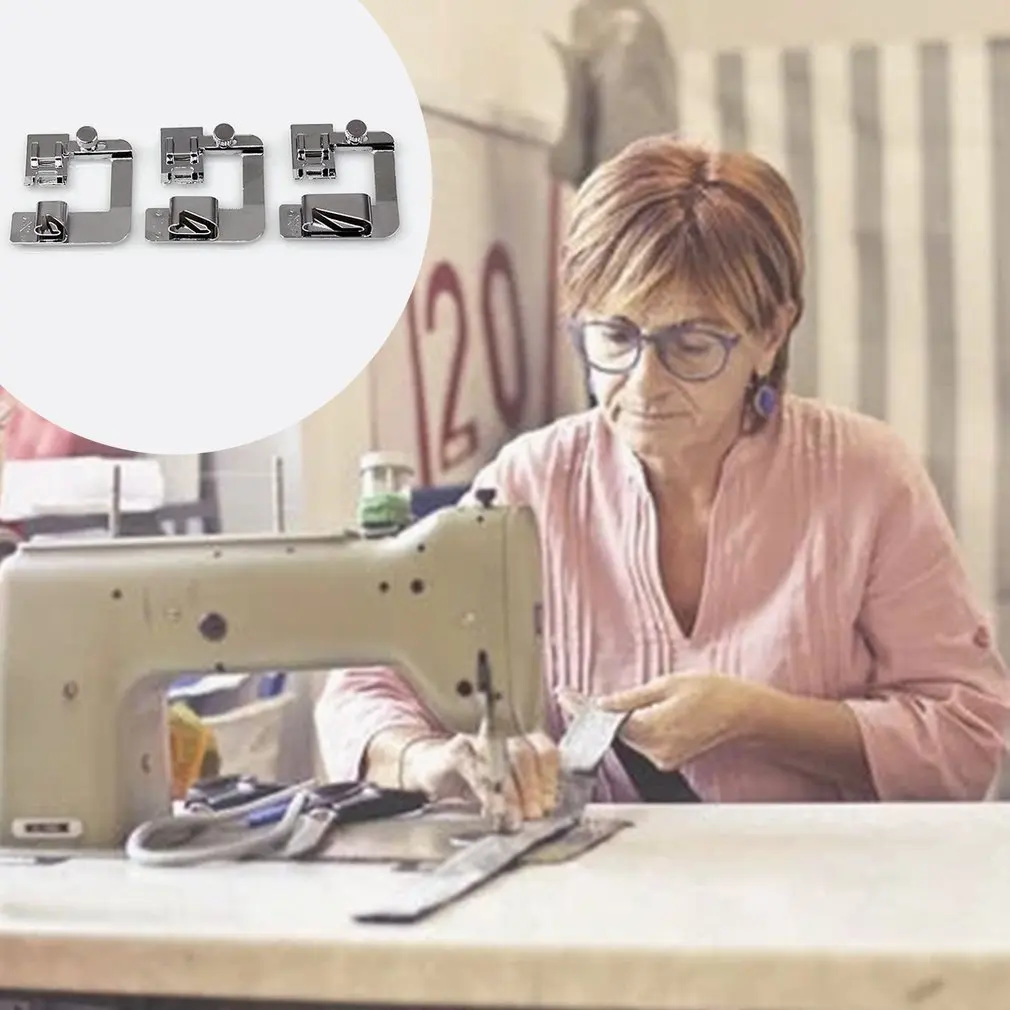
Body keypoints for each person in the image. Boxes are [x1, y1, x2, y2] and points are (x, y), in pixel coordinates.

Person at [314, 135, 1010, 819]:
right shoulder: (532, 481)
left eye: (693, 343)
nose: (644, 383)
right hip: (600, 881)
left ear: (771, 335)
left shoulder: (865, 479)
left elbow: (970, 736)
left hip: (829, 880)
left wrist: (759, 718)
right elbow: (363, 688)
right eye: (615, 337)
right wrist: (425, 761)